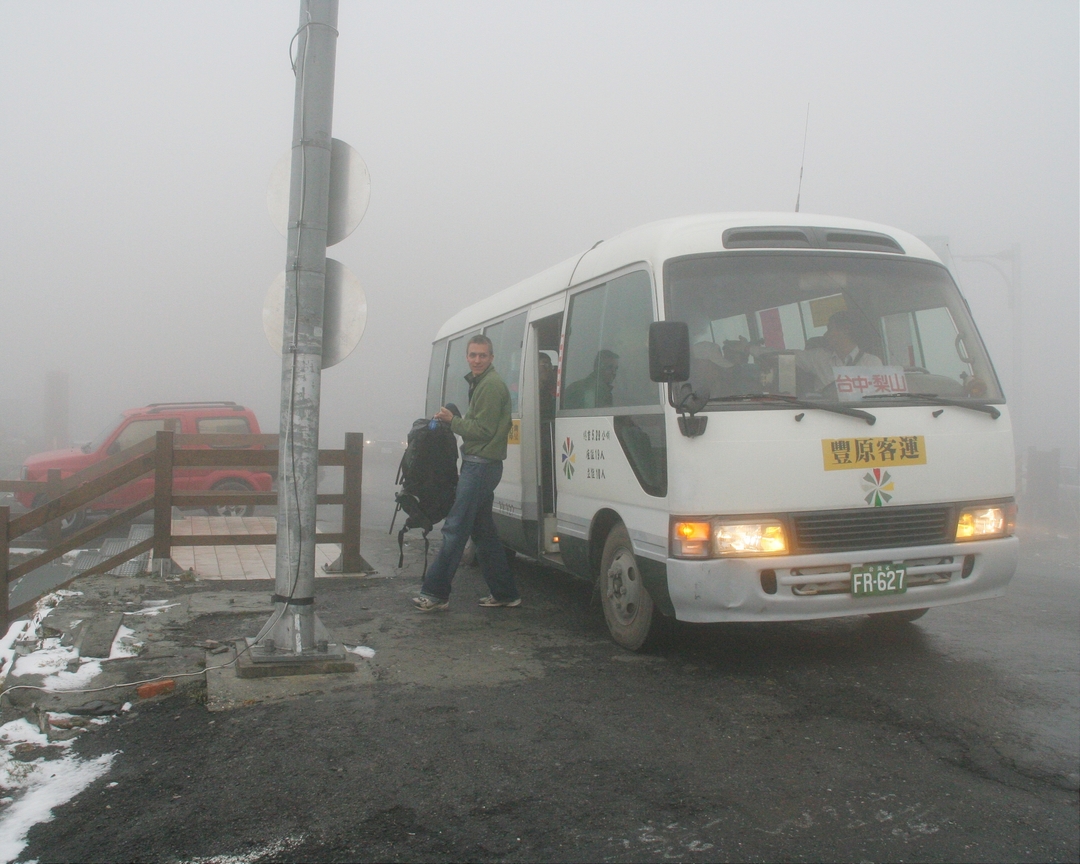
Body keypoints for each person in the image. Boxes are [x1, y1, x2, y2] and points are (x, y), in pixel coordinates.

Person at [413, 334, 521, 612]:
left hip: (481, 466)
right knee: (483, 532)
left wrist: (452, 421)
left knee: (455, 528)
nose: (476, 360)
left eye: (482, 355)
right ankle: (506, 593)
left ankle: (436, 594)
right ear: (467, 356)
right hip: (481, 463)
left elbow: (482, 430)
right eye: (472, 355)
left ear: (491, 358)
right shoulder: (482, 382)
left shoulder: (491, 386)